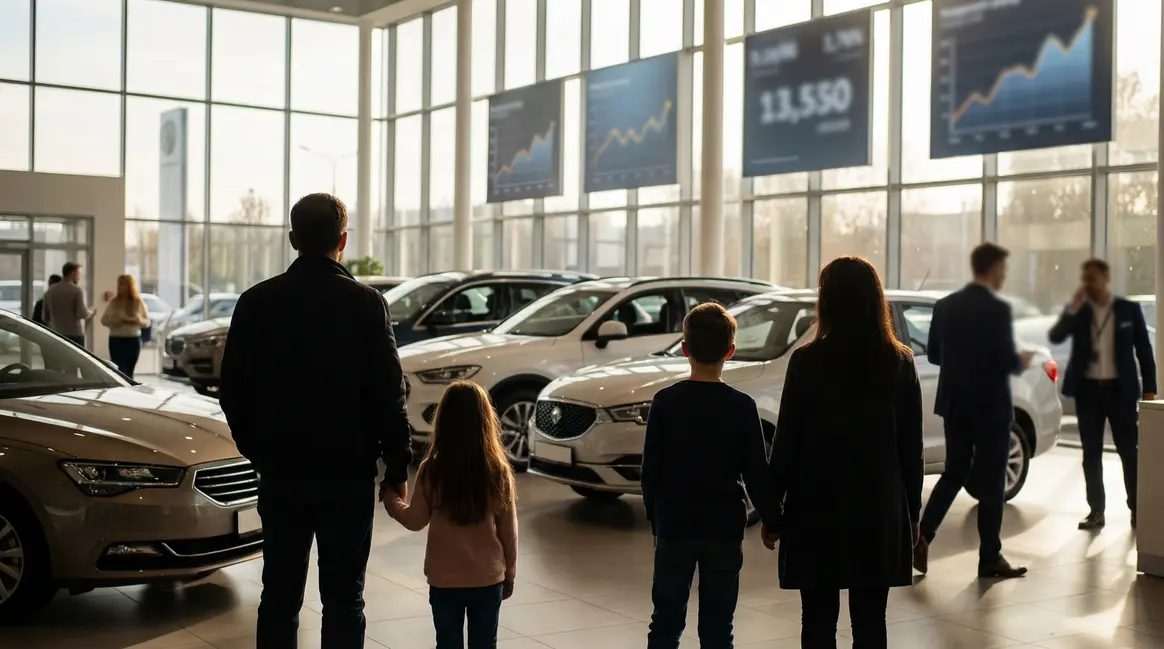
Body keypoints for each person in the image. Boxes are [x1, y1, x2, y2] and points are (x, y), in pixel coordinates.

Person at [218, 193, 413, 649]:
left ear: (292, 240)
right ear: (343, 240)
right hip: (347, 475)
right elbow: (390, 391)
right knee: (345, 599)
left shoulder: (255, 302)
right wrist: (397, 466)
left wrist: (258, 449)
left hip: (281, 473)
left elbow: (232, 390)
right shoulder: (366, 303)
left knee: (279, 595)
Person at [762, 256, 923, 649]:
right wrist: (912, 515)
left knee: (817, 621)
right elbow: (911, 450)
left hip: (816, 508)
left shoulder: (807, 361)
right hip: (878, 509)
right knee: (871, 621)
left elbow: (787, 443)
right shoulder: (898, 362)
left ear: (827, 300)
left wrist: (772, 512)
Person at [640, 302, 781, 649]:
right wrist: (772, 519)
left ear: (685, 349)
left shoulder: (665, 402)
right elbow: (755, 471)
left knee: (666, 621)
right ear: (730, 351)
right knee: (719, 626)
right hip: (723, 528)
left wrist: (656, 519)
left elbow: (650, 471)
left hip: (675, 525)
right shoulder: (742, 406)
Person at [915, 243, 1032, 580]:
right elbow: (1005, 359)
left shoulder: (945, 306)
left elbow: (935, 354)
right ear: (993, 267)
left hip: (955, 403)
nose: (1004, 276)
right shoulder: (997, 309)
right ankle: (990, 557)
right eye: (1003, 269)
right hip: (990, 406)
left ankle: (923, 534)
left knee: (955, 471)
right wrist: (1020, 361)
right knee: (993, 480)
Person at [383, 381, 518, 649]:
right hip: (487, 578)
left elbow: (415, 521)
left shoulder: (432, 469)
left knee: (447, 643)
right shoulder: (498, 471)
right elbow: (508, 531)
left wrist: (391, 500)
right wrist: (510, 572)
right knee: (485, 643)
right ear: (485, 421)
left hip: (444, 581)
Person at [1049, 258, 1155, 530]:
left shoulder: (1128, 310)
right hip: (1088, 393)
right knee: (1091, 454)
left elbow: (1144, 349)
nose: (1088, 284)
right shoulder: (1080, 311)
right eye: (1084, 278)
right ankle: (1096, 512)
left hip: (1120, 392)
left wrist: (1150, 389)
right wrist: (1071, 308)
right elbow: (1057, 335)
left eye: (1092, 278)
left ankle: (1137, 510)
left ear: (1105, 279)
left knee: (1129, 453)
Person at [100, 275, 150, 378]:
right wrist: (117, 321)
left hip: (133, 340)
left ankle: (129, 392)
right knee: (119, 370)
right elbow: (104, 320)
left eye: (122, 284)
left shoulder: (137, 302)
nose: (119, 286)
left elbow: (147, 322)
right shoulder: (114, 302)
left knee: (129, 371)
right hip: (116, 340)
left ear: (129, 286)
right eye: (118, 283)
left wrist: (138, 321)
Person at [42, 261, 95, 348]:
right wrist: (91, 312)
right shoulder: (76, 290)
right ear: (73, 273)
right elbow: (82, 313)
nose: (79, 276)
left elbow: (45, 317)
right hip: (75, 335)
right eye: (78, 273)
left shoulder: (50, 291)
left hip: (57, 333)